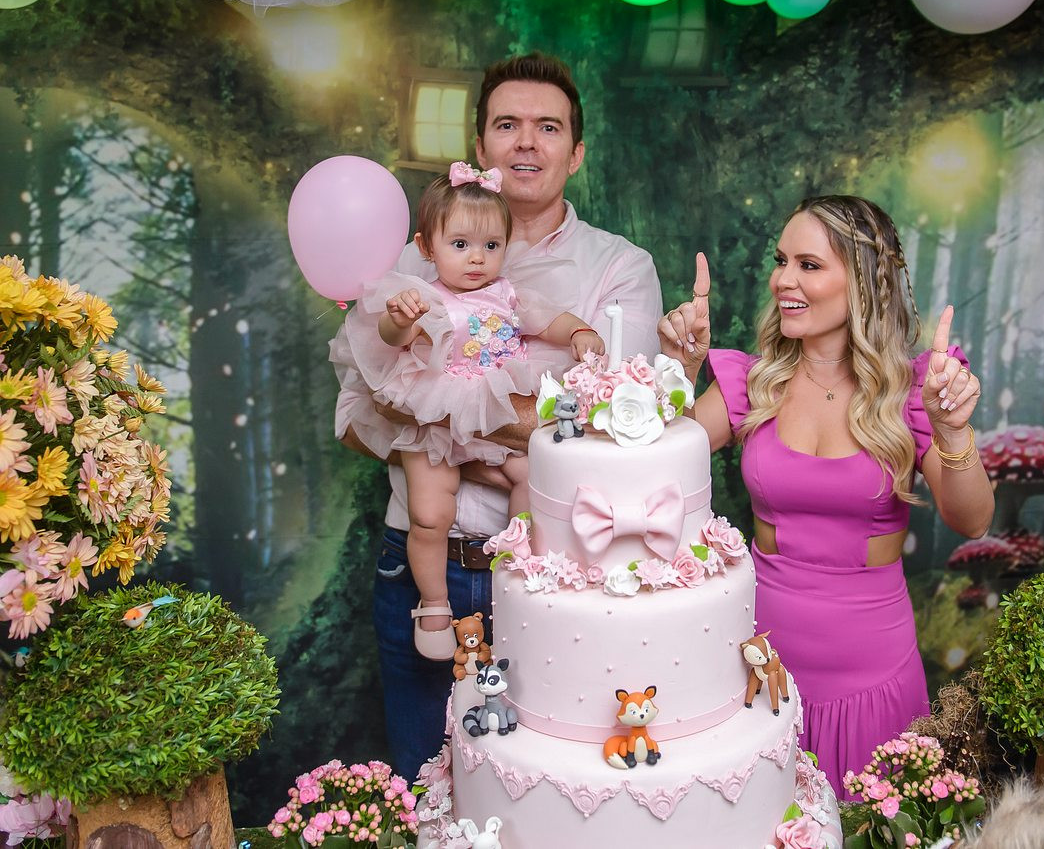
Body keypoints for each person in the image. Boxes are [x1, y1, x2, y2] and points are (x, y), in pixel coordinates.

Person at [332, 52, 663, 780]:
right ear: (480, 146)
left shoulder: (619, 267)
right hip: (419, 566)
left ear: (576, 152)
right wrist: (514, 430)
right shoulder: (411, 265)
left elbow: (618, 424)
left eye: (549, 127)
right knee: (424, 785)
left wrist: (442, 423)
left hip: (555, 573)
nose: (526, 142)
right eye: (507, 124)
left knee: (545, 788)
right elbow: (354, 414)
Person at [657, 195, 994, 794]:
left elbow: (971, 519)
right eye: (781, 261)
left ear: (861, 281)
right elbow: (658, 466)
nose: (783, 279)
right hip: (755, 665)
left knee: (865, 823)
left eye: (808, 265)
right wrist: (678, 371)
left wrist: (952, 431)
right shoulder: (755, 381)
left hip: (871, 671)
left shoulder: (912, 391)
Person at [330, 163, 604, 660]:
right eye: (460, 245)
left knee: (532, 477)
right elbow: (390, 339)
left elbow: (551, 320)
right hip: (436, 415)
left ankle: (518, 567)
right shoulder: (422, 297)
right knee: (430, 514)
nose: (477, 258)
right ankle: (434, 604)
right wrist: (399, 321)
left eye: (491, 245)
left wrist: (579, 331)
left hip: (492, 413)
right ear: (427, 246)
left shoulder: (510, 295)